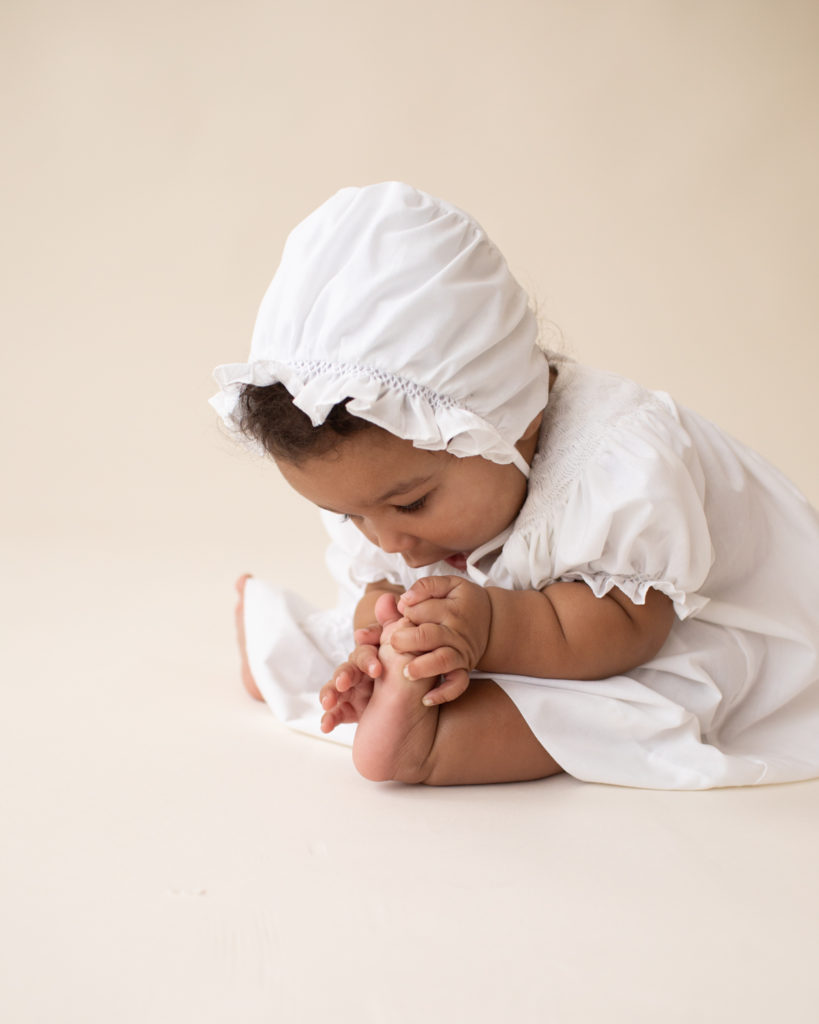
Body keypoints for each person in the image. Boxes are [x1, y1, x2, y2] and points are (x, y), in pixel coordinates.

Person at [211, 181, 819, 789]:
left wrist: (492, 630)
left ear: (512, 421)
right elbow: (381, 576)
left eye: (412, 504)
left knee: (640, 707)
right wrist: (385, 632)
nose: (389, 541)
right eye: (349, 516)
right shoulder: (388, 500)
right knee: (381, 637)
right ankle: (294, 660)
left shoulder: (613, 460)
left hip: (682, 628)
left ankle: (426, 749)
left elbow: (631, 629)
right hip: (504, 624)